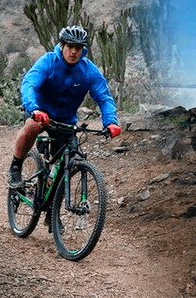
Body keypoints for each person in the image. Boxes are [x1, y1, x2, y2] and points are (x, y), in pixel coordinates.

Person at [8, 25, 121, 188]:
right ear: (62, 46)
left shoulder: (88, 70)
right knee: (33, 124)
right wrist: (34, 108)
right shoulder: (48, 61)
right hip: (41, 112)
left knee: (67, 161)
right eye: (70, 46)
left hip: (66, 120)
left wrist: (111, 121)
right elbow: (29, 84)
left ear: (83, 49)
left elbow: (104, 97)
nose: (74, 52)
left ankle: (51, 206)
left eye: (78, 48)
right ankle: (16, 166)